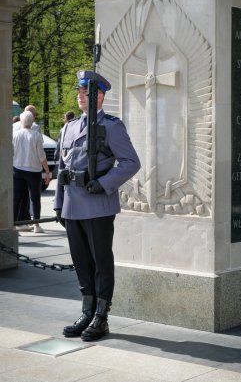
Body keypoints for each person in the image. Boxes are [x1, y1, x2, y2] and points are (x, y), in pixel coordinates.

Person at [54, 69, 140, 341]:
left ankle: (101, 316)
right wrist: (58, 204)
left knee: (101, 261)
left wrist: (103, 183)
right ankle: (87, 311)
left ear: (99, 96)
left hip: (97, 205)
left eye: (86, 92)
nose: (80, 96)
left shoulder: (112, 127)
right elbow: (61, 168)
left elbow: (131, 163)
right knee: (81, 262)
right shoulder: (68, 128)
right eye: (79, 91)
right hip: (72, 206)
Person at [13, 111, 51, 233]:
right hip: (34, 171)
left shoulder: (14, 135)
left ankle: (14, 224)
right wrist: (47, 170)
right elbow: (41, 156)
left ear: (21, 122)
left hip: (17, 169)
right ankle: (36, 225)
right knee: (35, 198)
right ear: (32, 122)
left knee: (17, 198)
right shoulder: (36, 135)